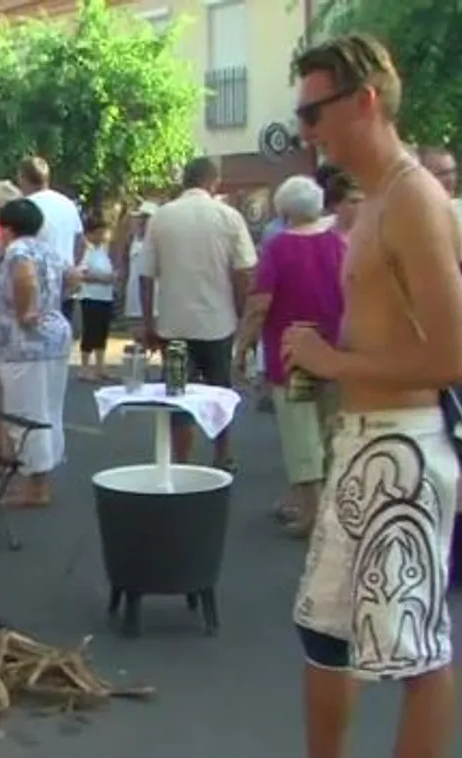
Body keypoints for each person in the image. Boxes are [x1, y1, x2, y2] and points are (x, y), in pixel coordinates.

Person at [285, 34, 461, 758]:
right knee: (326, 635)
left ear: (363, 101)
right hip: (366, 444)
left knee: (414, 652)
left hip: (403, 449)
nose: (306, 131)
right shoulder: (378, 200)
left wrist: (331, 362)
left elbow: (451, 356)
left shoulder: (414, 198)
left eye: (313, 112)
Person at [234, 175, 346, 537]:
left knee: (301, 436)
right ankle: (334, 511)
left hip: (292, 355)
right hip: (334, 351)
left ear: (283, 210)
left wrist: (243, 346)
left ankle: (311, 512)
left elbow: (259, 305)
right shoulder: (338, 244)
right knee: (332, 432)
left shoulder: (279, 247)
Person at [138, 157, 257, 468]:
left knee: (177, 393)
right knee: (220, 391)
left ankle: (182, 459)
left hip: (174, 322)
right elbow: (244, 272)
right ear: (213, 182)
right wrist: (243, 315)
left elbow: (146, 275)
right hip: (218, 320)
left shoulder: (161, 217)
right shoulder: (229, 216)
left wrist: (148, 322)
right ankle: (222, 453)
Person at [0, 199, 76, 507]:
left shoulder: (17, 251)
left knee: (26, 414)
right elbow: (73, 277)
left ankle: (36, 487)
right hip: (52, 339)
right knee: (49, 410)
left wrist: (26, 311)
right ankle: (40, 480)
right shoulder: (48, 250)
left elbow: (25, 277)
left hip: (23, 345)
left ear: (7, 227)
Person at [16, 156, 84, 321]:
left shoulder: (25, 206)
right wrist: (72, 267)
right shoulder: (67, 204)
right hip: (65, 282)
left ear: (22, 178)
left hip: (35, 285)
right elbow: (80, 242)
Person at [76, 215, 115, 382]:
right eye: (97, 233)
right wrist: (101, 278)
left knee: (102, 331)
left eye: (103, 233)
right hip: (90, 296)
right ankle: (84, 368)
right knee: (90, 331)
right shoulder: (86, 250)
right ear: (89, 234)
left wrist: (112, 277)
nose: (101, 236)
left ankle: (100, 366)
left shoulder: (104, 251)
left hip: (105, 296)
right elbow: (82, 273)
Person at [121, 201, 157, 321]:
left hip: (153, 294)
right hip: (133, 291)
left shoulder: (157, 240)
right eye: (141, 217)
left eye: (146, 217)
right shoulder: (132, 239)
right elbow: (125, 263)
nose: (142, 221)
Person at [324, 171, 364, 238]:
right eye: (353, 202)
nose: (360, 206)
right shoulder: (322, 238)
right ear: (336, 205)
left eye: (362, 201)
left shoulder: (373, 236)